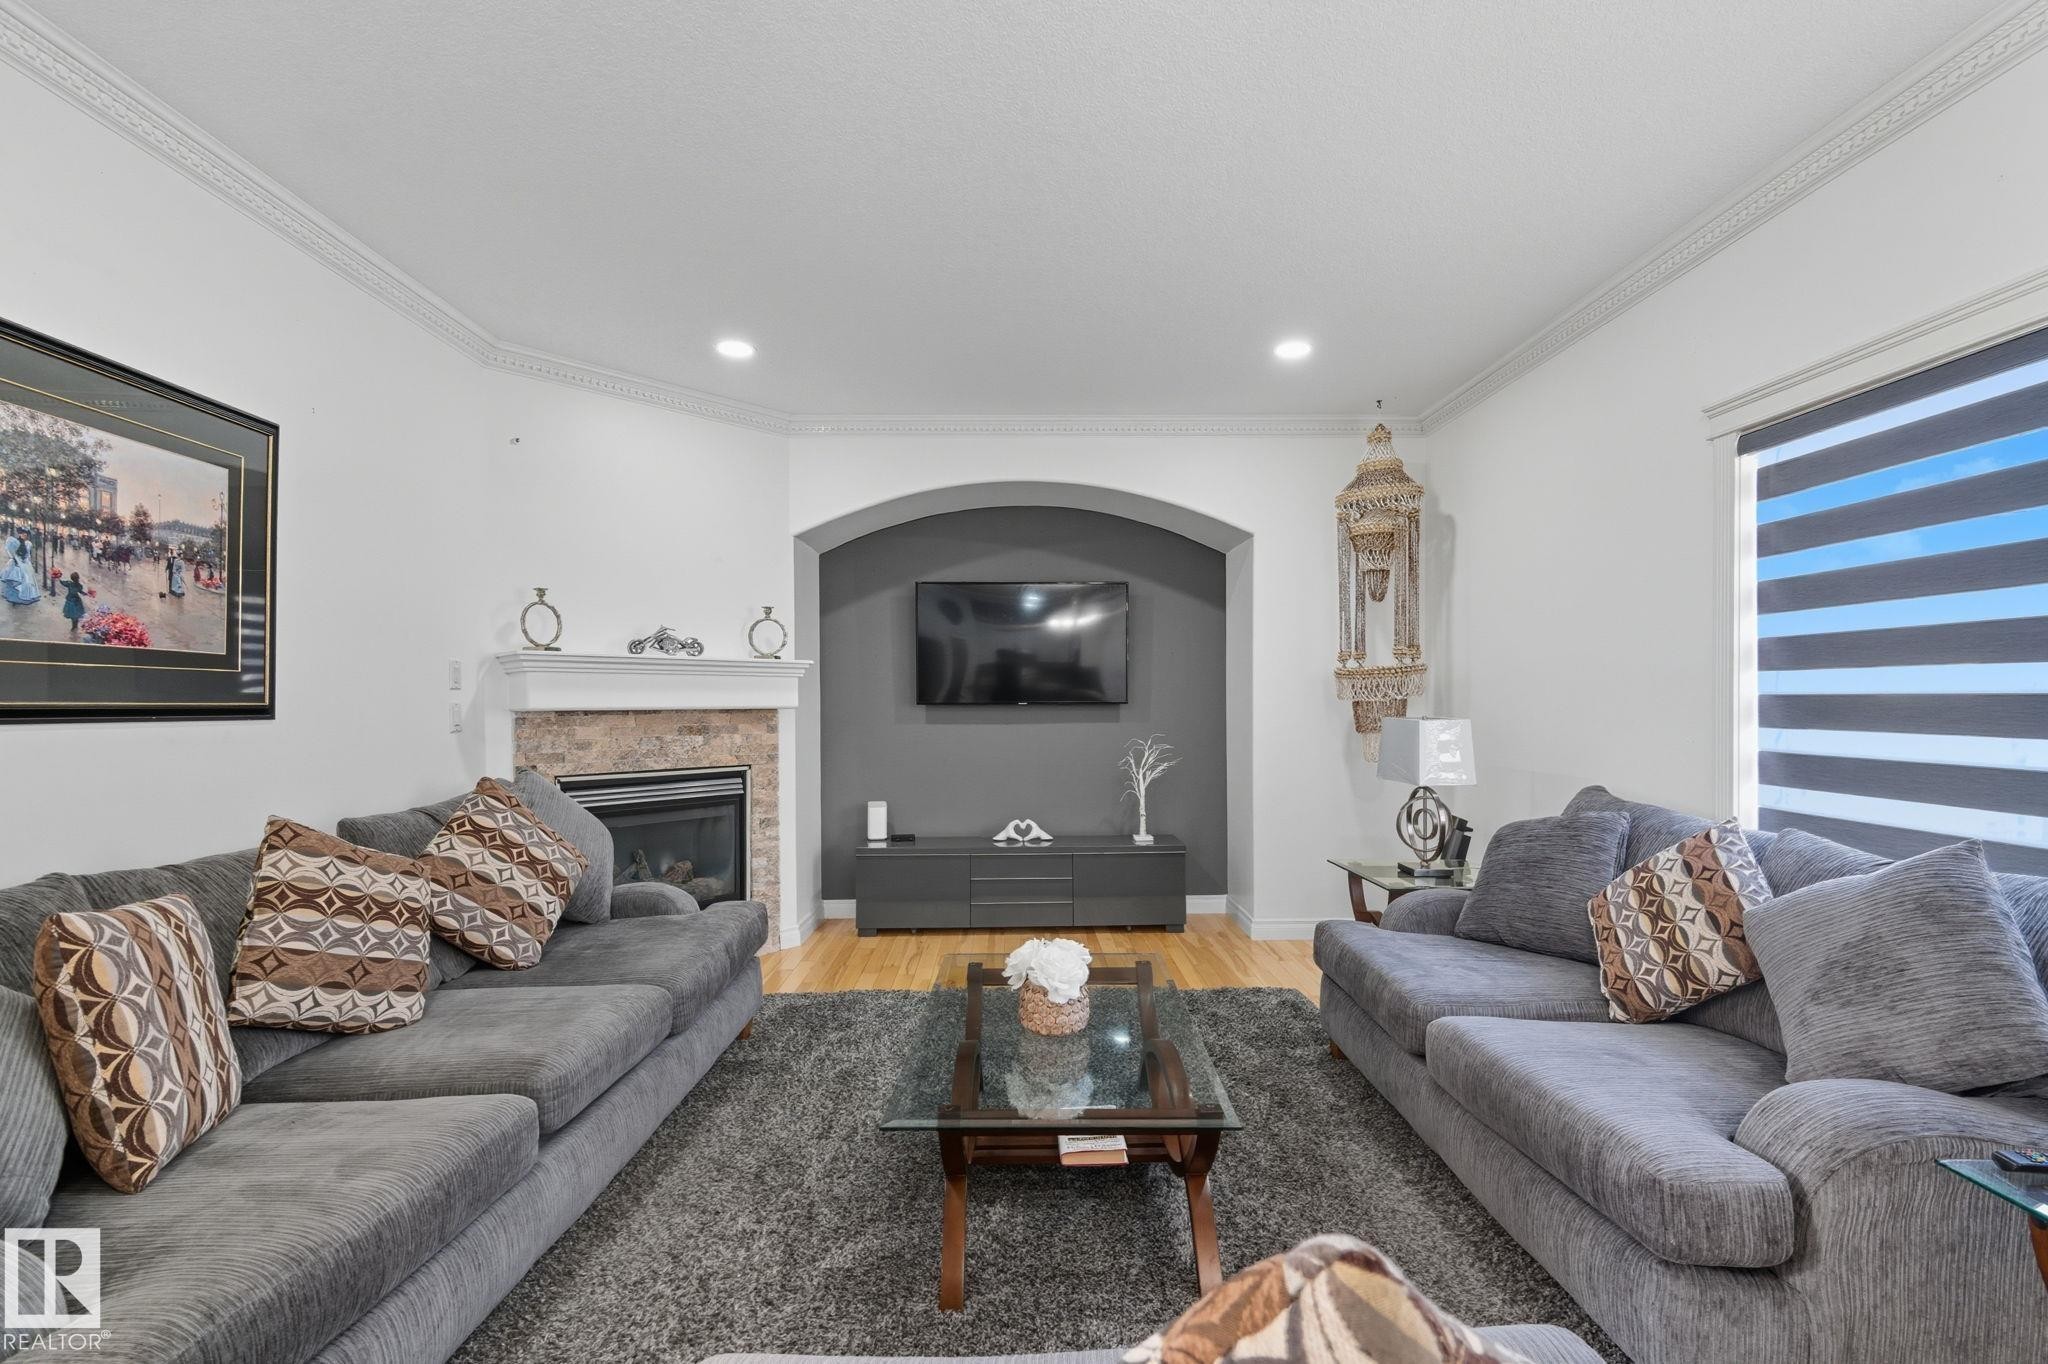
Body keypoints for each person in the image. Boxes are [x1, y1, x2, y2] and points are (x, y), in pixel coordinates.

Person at [0, 530, 39, 605]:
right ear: (20, 534)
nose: (24, 536)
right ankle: (13, 598)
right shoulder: (16, 542)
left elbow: (28, 554)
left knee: (26, 580)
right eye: (22, 534)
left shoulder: (28, 543)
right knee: (15, 579)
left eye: (25, 534)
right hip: (17, 563)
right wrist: (16, 559)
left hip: (25, 563)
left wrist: (28, 560)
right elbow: (12, 552)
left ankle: (21, 597)